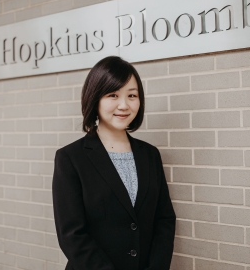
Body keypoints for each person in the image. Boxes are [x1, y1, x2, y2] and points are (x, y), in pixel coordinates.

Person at [52, 56, 176, 270]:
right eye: (113, 95)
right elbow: (72, 236)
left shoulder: (150, 155)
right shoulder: (71, 158)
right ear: (95, 99)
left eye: (132, 95)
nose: (124, 105)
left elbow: (164, 220)